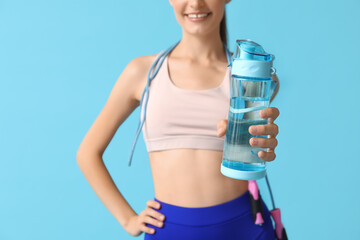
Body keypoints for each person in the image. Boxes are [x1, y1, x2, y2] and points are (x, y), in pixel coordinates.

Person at [76, 0, 280, 239]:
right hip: (170, 229)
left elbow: (255, 149)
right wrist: (128, 219)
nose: (195, 3)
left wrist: (264, 145)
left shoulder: (249, 75)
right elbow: (87, 153)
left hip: (245, 227)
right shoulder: (142, 72)